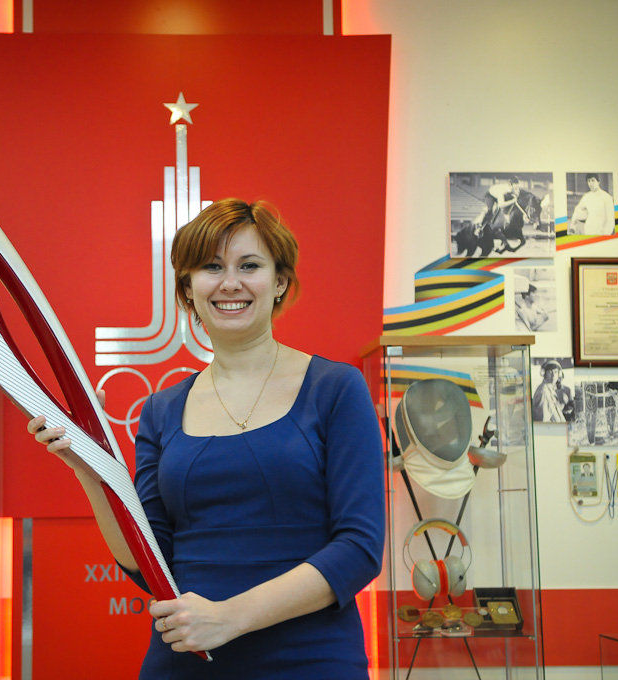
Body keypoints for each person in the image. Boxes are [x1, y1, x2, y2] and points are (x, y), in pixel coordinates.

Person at [27, 199, 384, 678]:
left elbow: (359, 548)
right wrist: (91, 470)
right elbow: (149, 563)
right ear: (188, 289)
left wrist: (229, 617)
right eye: (212, 267)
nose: (230, 282)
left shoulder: (335, 388)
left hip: (312, 659)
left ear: (280, 281)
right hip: (187, 658)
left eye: (249, 265)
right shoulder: (161, 410)